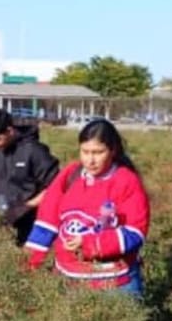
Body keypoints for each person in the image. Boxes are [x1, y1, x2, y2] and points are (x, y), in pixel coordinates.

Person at [23, 118, 149, 296]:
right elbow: (46, 223)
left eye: (98, 152)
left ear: (112, 151)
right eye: (85, 152)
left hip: (114, 284)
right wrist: (29, 265)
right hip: (69, 280)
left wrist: (89, 243)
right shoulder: (70, 175)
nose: (90, 160)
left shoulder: (126, 181)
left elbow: (135, 233)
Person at [0, 108, 60, 245]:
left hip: (32, 223)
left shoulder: (34, 151)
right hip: (1, 222)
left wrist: (27, 205)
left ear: (9, 131)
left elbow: (56, 186)